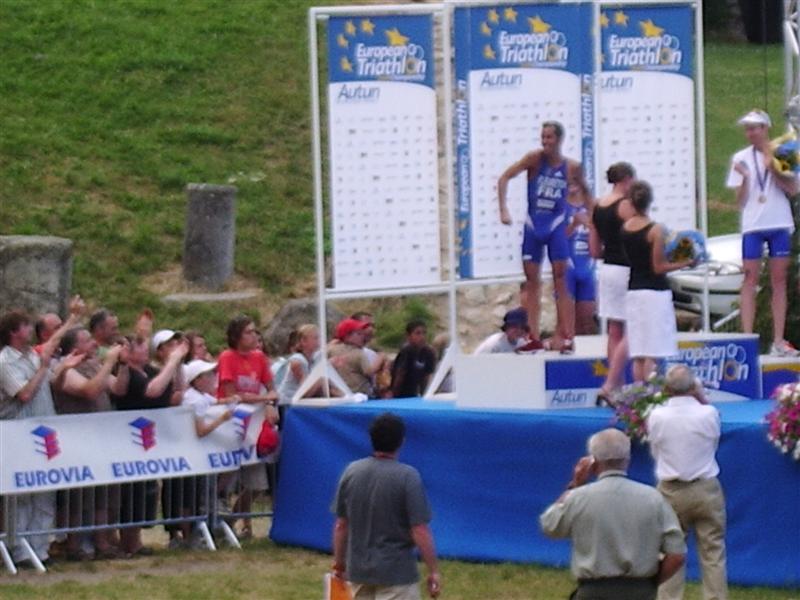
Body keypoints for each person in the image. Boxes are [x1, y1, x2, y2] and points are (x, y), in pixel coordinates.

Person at [540, 428, 686, 600]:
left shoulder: (578, 498)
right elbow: (676, 554)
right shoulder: (653, 498)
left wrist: (575, 484)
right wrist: (651, 583)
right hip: (640, 590)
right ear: (627, 459)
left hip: (593, 591)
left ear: (593, 463)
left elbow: (550, 525)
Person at [0, 305, 84, 567]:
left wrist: (72, 319)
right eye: (25, 326)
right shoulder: (5, 361)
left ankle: (40, 548)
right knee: (22, 494)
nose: (30, 330)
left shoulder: (31, 356)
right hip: (19, 431)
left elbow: (52, 344)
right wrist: (43, 368)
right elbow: (24, 394)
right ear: (14, 332)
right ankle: (19, 549)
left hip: (44, 430)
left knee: (45, 491)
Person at [498, 121, 592, 351]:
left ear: (559, 139)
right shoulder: (534, 159)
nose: (545, 142)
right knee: (532, 281)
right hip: (534, 224)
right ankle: (532, 336)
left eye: (549, 137)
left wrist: (593, 219)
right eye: (543, 137)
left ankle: (566, 334)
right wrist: (503, 210)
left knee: (561, 278)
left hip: (556, 225)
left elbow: (586, 192)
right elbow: (505, 178)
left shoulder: (571, 167)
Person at [332, 413, 441, 599]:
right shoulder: (408, 476)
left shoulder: (352, 472)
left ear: (371, 439)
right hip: (397, 573)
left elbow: (341, 525)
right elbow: (419, 529)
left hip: (359, 570)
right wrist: (433, 570)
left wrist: (339, 564)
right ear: (401, 441)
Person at [647, 365, 728, 600]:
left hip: (671, 489)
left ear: (666, 388)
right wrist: (700, 396)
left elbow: (656, 450)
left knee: (670, 550)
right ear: (693, 386)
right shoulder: (708, 413)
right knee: (713, 551)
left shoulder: (657, 415)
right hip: (705, 487)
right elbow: (714, 441)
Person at [726, 109, 799, 356]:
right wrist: (746, 177)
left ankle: (778, 340)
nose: (750, 133)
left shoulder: (783, 152)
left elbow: (793, 190)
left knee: (779, 280)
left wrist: (774, 168)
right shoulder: (741, 158)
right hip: (753, 225)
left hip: (779, 222)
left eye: (755, 128)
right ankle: (748, 337)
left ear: (765, 129)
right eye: (747, 129)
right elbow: (740, 201)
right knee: (749, 279)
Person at [54, 326, 130, 560]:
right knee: (80, 496)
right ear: (74, 347)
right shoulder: (66, 369)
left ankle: (102, 542)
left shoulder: (94, 365)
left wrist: (123, 364)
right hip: (77, 440)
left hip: (101, 439)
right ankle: (74, 545)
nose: (94, 344)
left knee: (104, 493)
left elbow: (118, 388)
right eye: (87, 340)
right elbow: (89, 390)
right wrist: (109, 362)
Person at [621, 181, 694, 382]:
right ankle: (652, 391)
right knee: (653, 351)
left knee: (639, 352)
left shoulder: (625, 228)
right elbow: (658, 267)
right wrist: (685, 262)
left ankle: (638, 392)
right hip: (655, 292)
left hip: (634, 290)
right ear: (650, 201)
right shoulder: (656, 230)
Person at [216, 315, 279, 539]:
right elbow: (232, 394)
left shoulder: (260, 357)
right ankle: (216, 521)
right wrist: (263, 399)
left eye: (255, 331)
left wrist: (269, 403)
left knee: (257, 484)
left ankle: (231, 521)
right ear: (236, 336)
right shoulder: (227, 357)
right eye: (248, 332)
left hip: (254, 426)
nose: (254, 336)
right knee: (225, 479)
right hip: (231, 424)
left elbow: (272, 389)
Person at [590, 162, 636, 401]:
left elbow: (594, 249)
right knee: (635, 326)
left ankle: (617, 384)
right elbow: (638, 237)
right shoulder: (626, 206)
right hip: (627, 269)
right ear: (627, 179)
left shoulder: (597, 206)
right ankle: (612, 383)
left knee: (614, 329)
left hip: (607, 269)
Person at [564, 183, 597, 338]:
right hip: (567, 268)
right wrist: (574, 224)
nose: (572, 184)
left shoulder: (593, 207)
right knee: (567, 324)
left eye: (575, 180)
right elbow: (555, 239)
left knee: (587, 322)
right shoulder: (560, 207)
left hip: (588, 267)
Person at [328, 318, 387, 397]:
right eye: (359, 334)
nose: (363, 337)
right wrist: (380, 359)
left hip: (340, 394)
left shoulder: (331, 349)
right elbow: (369, 372)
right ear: (347, 336)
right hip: (360, 394)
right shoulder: (358, 353)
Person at [277, 324, 322, 408]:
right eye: (315, 338)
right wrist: (320, 379)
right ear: (303, 341)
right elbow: (304, 392)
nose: (319, 341)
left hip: (299, 403)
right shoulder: (297, 361)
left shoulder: (314, 359)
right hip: (287, 404)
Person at [390, 320, 436, 398]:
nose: (422, 337)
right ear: (408, 336)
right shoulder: (406, 351)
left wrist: (424, 396)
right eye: (418, 333)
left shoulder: (429, 353)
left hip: (415, 394)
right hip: (401, 394)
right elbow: (399, 375)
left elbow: (427, 377)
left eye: (424, 333)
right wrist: (394, 396)